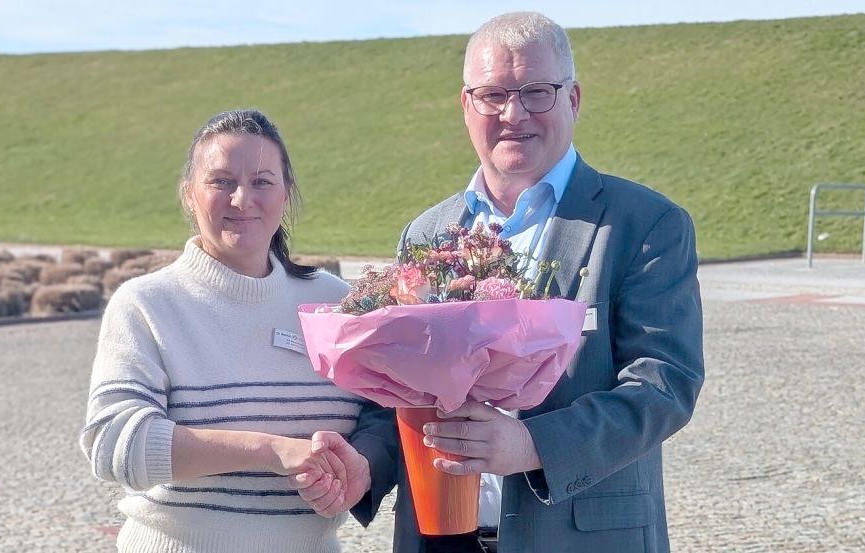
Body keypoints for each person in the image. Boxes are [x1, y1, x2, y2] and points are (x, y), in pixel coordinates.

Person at [301, 11, 705, 553]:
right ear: (466, 106)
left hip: (579, 538)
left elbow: (664, 385)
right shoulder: (427, 232)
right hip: (436, 536)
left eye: (536, 91)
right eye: (493, 94)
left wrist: (532, 445)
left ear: (574, 100)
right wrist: (367, 465)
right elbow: (390, 393)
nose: (513, 114)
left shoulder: (645, 224)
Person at [79, 109, 370, 553]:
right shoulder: (146, 304)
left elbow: (382, 420)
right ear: (189, 195)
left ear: (286, 194)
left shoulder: (337, 303)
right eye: (221, 181)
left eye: (262, 182)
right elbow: (113, 443)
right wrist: (269, 450)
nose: (241, 199)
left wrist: (356, 469)